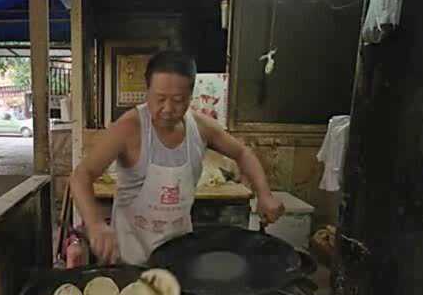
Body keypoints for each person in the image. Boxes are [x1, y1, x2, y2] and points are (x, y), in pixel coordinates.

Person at [70, 51, 285, 265]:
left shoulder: (200, 128)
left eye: (178, 100)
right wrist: (95, 224)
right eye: (160, 98)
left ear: (191, 95)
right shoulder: (129, 128)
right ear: (147, 91)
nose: (168, 109)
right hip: (130, 254)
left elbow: (242, 153)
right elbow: (81, 175)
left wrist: (264, 194)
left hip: (178, 251)